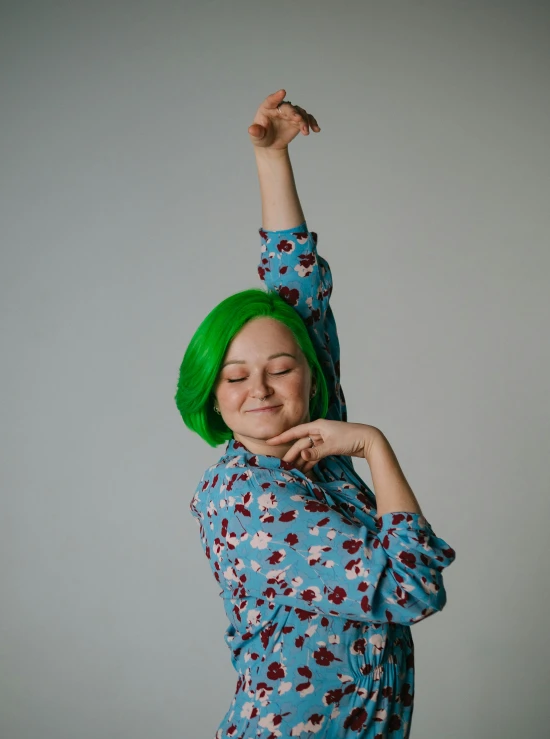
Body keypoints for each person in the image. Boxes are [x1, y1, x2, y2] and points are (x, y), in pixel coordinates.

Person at [175, 89, 456, 739]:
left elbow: (296, 291)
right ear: (210, 394)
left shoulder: (313, 452)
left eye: (281, 368)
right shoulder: (244, 495)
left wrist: (272, 157)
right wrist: (374, 447)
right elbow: (410, 589)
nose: (262, 389)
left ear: (311, 372)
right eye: (234, 376)